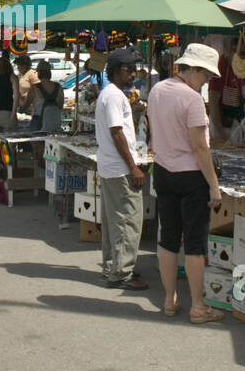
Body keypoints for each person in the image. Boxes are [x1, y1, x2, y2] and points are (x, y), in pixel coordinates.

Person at [147, 44, 225, 323]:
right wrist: (214, 185)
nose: (207, 82)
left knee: (167, 238)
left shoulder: (157, 90)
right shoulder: (191, 100)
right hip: (191, 176)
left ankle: (169, 300)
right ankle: (198, 306)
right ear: (194, 70)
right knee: (194, 243)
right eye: (206, 76)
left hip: (163, 170)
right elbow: (200, 149)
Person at [95, 48, 148, 290]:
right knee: (128, 221)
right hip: (119, 169)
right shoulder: (114, 95)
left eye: (135, 69)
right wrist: (133, 167)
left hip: (111, 167)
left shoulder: (111, 94)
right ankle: (122, 273)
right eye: (129, 70)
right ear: (117, 71)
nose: (134, 74)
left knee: (114, 221)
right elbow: (117, 133)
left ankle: (113, 267)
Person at [29, 61, 64, 133]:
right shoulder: (58, 86)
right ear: (49, 73)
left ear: (39, 73)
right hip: (54, 124)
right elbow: (60, 105)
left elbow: (26, 104)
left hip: (38, 123)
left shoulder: (35, 87)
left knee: (36, 142)